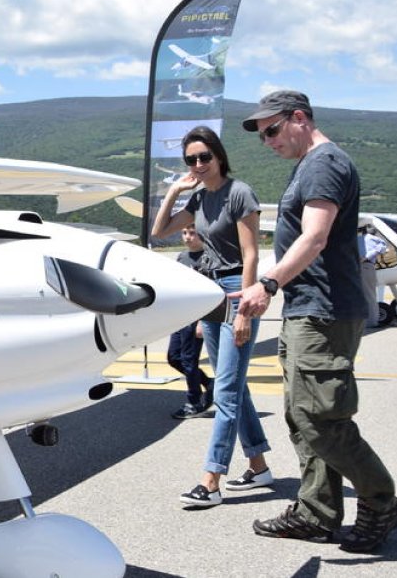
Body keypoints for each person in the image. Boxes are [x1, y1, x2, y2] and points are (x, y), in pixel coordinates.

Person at [237, 90, 397, 552]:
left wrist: (268, 284)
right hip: (306, 308)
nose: (267, 140)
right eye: (261, 134)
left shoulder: (323, 163)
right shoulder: (309, 165)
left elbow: (314, 237)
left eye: (272, 129)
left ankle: (381, 503)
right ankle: (317, 511)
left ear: (299, 118)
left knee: (322, 420)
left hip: (324, 311)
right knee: (302, 415)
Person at [151, 125, 271, 508]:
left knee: (226, 392)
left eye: (204, 157)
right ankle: (258, 465)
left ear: (219, 155)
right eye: (191, 160)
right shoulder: (199, 197)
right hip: (211, 290)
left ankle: (211, 479)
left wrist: (246, 310)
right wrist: (174, 191)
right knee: (232, 385)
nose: (199, 164)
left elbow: (251, 255)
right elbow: (158, 233)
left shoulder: (239, 193)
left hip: (239, 287)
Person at [166, 224, 213, 419]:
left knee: (188, 361)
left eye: (192, 233)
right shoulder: (181, 258)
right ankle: (209, 384)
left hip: (197, 318)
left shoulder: (209, 259)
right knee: (173, 357)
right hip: (180, 317)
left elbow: (212, 293)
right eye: (184, 232)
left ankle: (195, 402)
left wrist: (204, 321)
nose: (187, 237)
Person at [357, 226, 387, 329]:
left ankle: (368, 322)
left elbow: (382, 246)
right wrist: (368, 256)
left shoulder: (363, 238)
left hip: (361, 266)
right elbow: (383, 247)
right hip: (366, 266)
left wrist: (366, 257)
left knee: (366, 295)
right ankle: (371, 322)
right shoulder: (368, 238)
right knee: (370, 295)